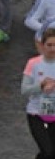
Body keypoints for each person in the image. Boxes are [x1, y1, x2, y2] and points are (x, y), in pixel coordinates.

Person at [23, 28, 55, 159]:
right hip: (36, 112)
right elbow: (24, 89)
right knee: (47, 151)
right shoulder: (33, 63)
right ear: (42, 45)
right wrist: (40, 85)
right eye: (49, 45)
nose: (53, 49)